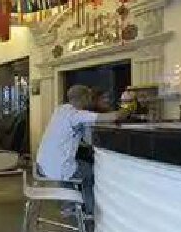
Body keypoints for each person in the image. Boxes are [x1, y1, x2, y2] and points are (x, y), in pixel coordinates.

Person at [36, 85, 121, 214]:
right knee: (91, 172)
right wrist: (128, 109)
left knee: (73, 165)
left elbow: (83, 137)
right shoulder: (77, 115)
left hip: (42, 165)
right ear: (84, 98)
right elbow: (114, 117)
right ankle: (89, 211)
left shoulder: (61, 109)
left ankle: (69, 203)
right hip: (58, 168)